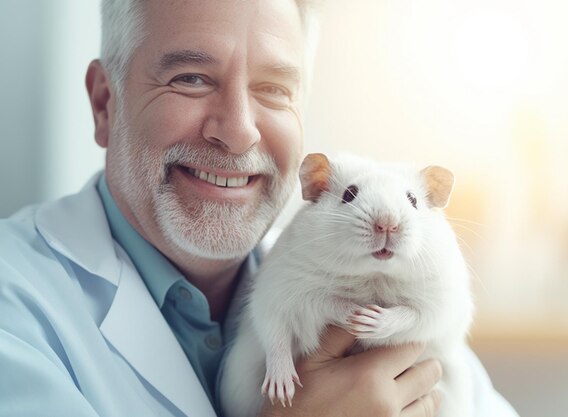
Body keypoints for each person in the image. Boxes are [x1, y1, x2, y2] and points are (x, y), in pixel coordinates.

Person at [0, 0, 519, 416]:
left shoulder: (382, 291)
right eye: (191, 78)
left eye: (273, 90)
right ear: (104, 104)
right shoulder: (17, 309)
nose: (239, 129)